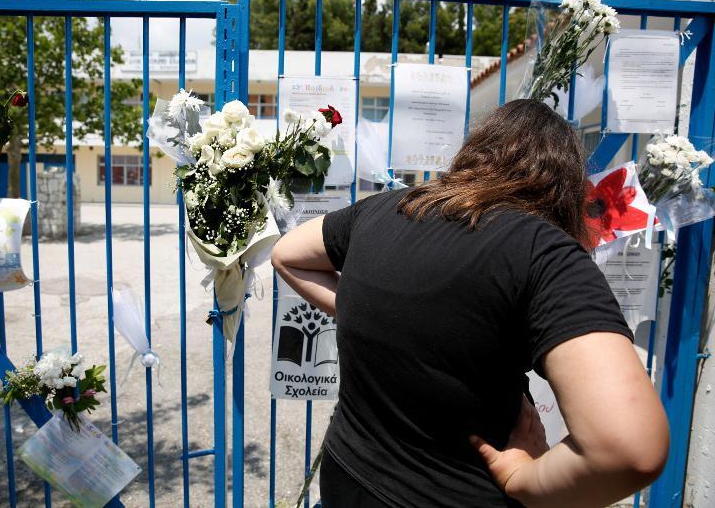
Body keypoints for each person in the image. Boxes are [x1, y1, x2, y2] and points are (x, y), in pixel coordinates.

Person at [271, 99, 669, 508]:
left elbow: (287, 255)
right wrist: (525, 478)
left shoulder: (388, 207)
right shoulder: (541, 252)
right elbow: (629, 449)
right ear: (564, 187)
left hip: (346, 478)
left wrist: (365, 308)